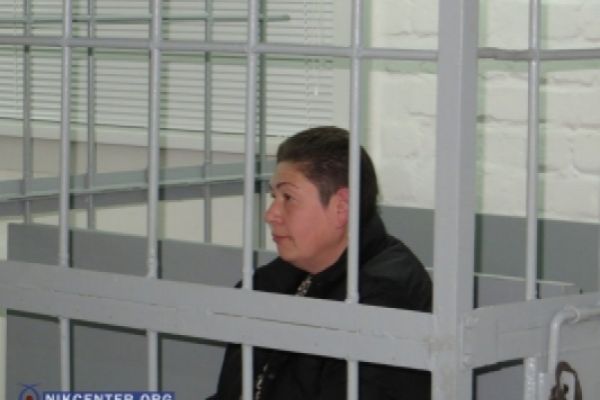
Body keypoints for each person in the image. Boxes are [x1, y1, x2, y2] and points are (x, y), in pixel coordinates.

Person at [208, 126, 432, 400]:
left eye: (288, 198)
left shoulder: (385, 297)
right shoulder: (277, 277)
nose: (271, 214)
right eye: (273, 196)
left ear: (341, 206)